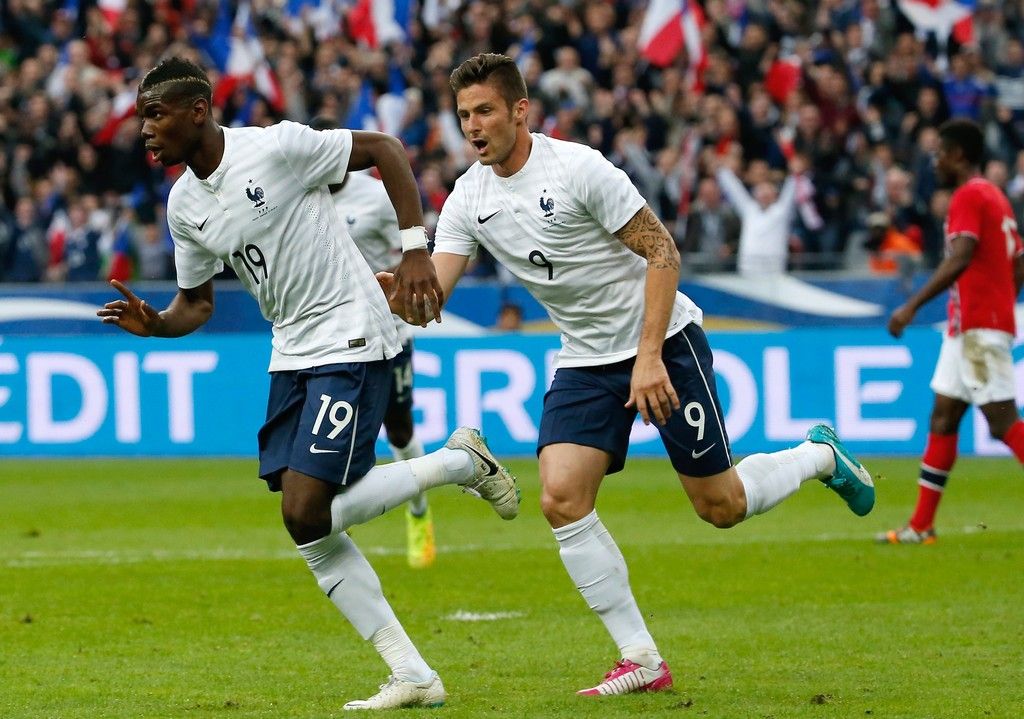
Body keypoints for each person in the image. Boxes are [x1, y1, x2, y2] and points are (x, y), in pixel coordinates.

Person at [401, 52, 875, 696]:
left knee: (721, 506)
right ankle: (643, 659)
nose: (473, 127)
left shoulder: (578, 169)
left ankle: (820, 457)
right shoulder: (468, 198)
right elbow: (433, 300)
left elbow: (662, 250)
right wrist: (396, 291)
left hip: (666, 342)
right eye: (463, 116)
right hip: (586, 360)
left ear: (520, 110)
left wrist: (649, 356)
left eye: (485, 111)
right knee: (561, 497)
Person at [96, 57, 520, 711]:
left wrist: (414, 249)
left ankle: (460, 461)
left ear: (198, 110)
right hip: (290, 352)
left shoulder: (276, 148)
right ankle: (413, 673)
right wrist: (155, 325)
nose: (145, 130)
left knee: (304, 509)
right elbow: (197, 304)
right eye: (141, 118)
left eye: (155, 115)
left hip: (352, 332)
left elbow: (384, 148)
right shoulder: (183, 205)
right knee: (308, 526)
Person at [881, 119, 1024, 545]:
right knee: (943, 417)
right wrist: (1002, 296)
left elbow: (960, 257)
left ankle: (921, 526)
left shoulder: (968, 195)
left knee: (1002, 422)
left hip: (978, 327)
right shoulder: (994, 196)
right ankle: (921, 526)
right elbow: (1018, 261)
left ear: (958, 154)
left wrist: (911, 306)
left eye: (940, 153)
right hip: (968, 327)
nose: (936, 161)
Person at [310, 116, 436, 570]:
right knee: (333, 435)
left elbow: (412, 250)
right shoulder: (301, 195)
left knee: (398, 429)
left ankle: (419, 513)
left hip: (388, 332)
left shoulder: (377, 197)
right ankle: (330, 526)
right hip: (330, 337)